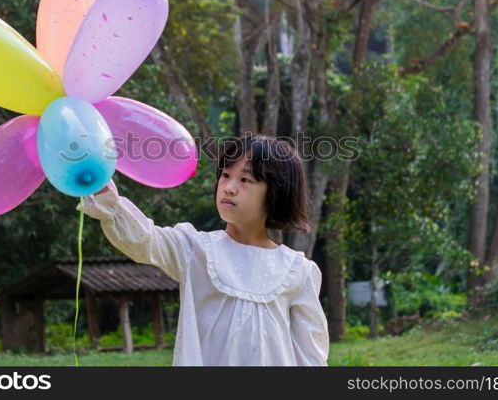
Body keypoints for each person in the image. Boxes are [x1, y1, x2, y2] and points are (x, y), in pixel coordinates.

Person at [78, 133, 329, 366]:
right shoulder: (195, 249)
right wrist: (100, 187)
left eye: (245, 180)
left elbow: (310, 356)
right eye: (226, 175)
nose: (229, 187)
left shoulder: (297, 271)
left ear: (275, 194)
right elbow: (144, 239)